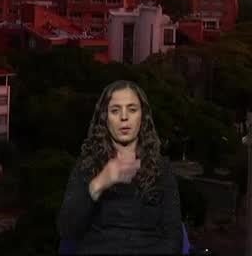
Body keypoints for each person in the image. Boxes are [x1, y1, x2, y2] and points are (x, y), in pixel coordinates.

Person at [57, 80, 183, 255]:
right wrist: (98, 184)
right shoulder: (86, 166)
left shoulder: (162, 170)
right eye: (115, 110)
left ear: (143, 116)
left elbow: (173, 239)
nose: (124, 117)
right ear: (104, 118)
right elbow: (67, 230)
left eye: (132, 109)